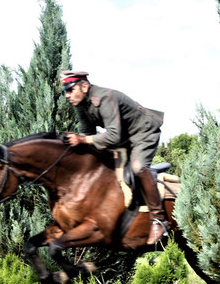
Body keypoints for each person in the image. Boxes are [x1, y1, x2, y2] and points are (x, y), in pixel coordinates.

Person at [60, 70, 169, 245]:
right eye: (65, 91)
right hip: (124, 138)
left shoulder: (104, 98)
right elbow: (87, 134)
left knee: (137, 167)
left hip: (143, 132)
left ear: (84, 86)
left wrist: (83, 139)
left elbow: (113, 137)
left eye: (70, 90)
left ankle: (159, 219)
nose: (67, 95)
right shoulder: (81, 105)